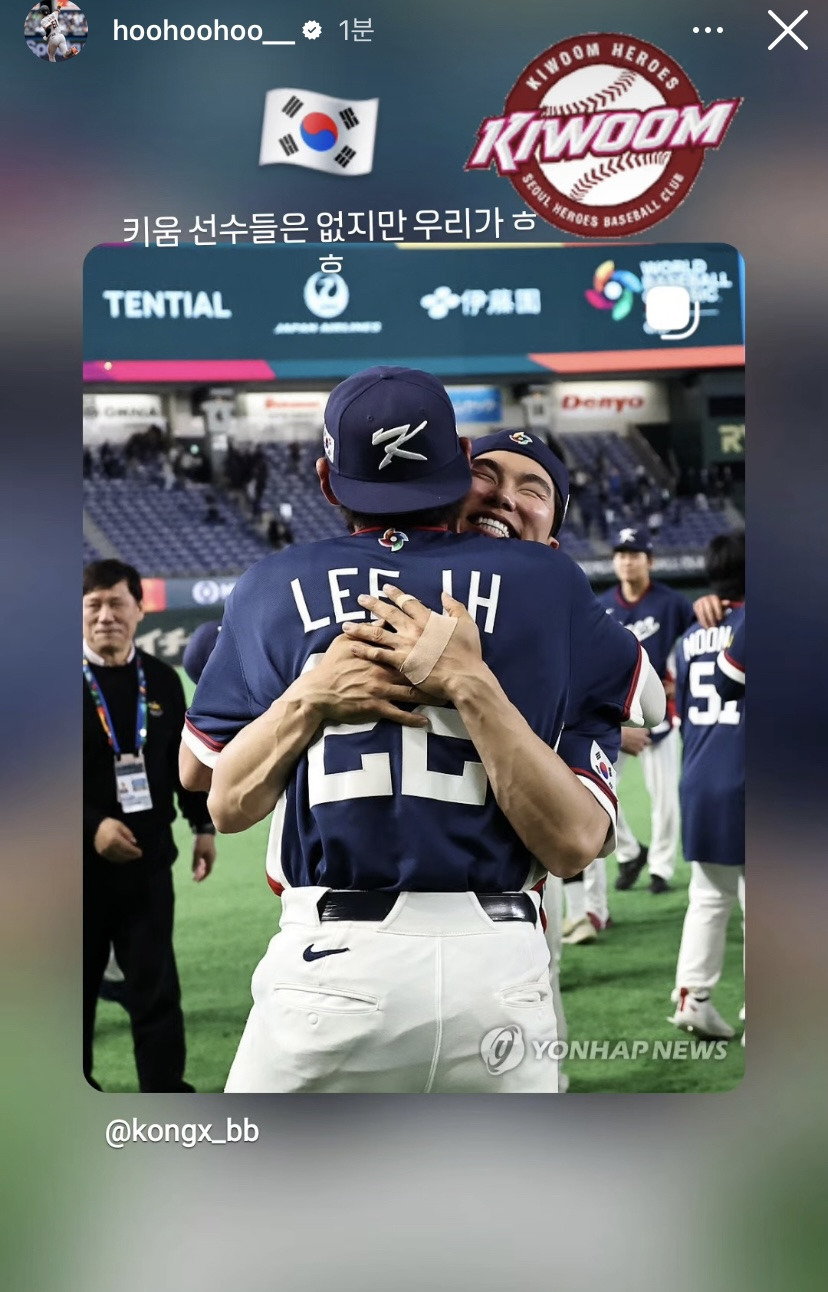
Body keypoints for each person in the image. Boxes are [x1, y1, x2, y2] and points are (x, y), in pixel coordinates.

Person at [181, 367, 663, 1094]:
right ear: (459, 462)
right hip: (501, 963)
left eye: (530, 487)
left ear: (325, 479)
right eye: (490, 477)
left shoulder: (272, 585)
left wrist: (310, 696)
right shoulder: (549, 587)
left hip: (332, 960)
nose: (503, 498)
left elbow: (210, 788)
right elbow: (650, 700)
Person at [83, 560, 217, 1092]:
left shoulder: (161, 680)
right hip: (74, 873)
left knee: (156, 986)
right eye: (94, 605)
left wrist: (202, 826)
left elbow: (180, 765)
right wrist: (92, 826)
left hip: (148, 866)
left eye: (117, 603)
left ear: (140, 610)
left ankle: (165, 1093)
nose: (106, 616)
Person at [668, 534, 745, 1041]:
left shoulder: (688, 637)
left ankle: (692, 998)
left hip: (698, 776)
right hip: (747, 773)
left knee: (709, 895)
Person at [599, 528, 697, 898]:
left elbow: (698, 643)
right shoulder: (602, 605)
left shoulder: (673, 603)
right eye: (621, 554)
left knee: (665, 797)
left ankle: (660, 867)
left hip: (662, 713)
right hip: (618, 715)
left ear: (649, 561)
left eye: (634, 554)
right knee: (600, 789)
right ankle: (629, 852)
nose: (627, 561)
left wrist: (681, 681)